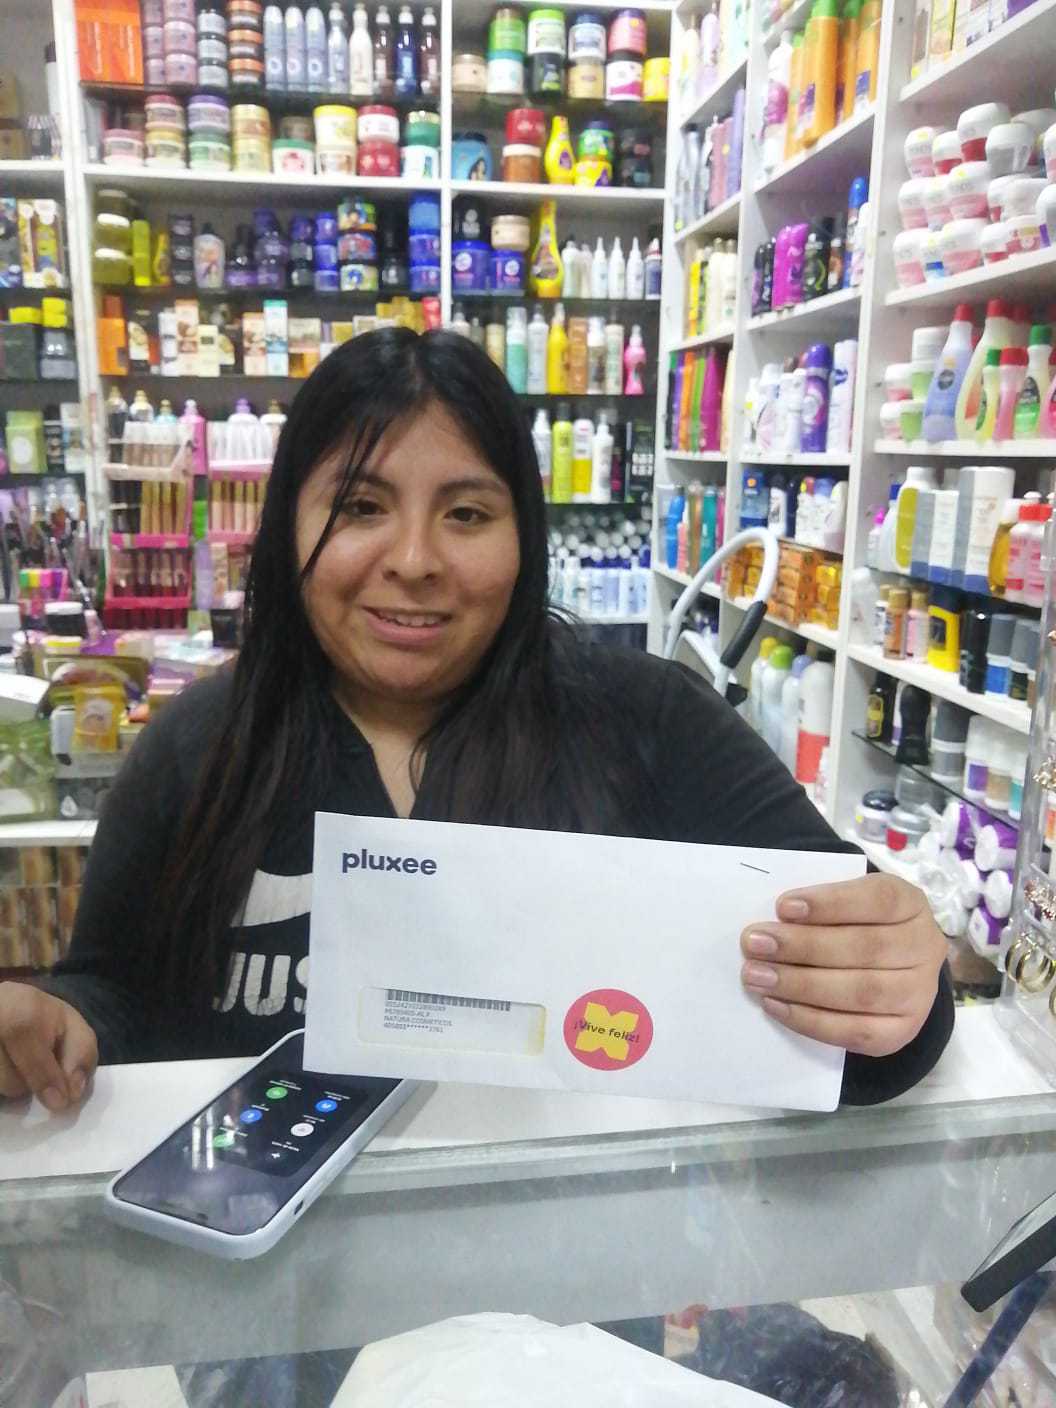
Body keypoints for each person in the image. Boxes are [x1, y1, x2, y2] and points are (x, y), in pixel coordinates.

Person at [0, 328, 950, 1114]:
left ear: (524, 536)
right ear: (289, 522)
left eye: (466, 513)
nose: (415, 560)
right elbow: (111, 997)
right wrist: (54, 1031)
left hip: (570, 1271)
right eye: (361, 506)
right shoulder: (199, 749)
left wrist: (899, 985)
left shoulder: (649, 722)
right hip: (262, 1266)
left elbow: (857, 1027)